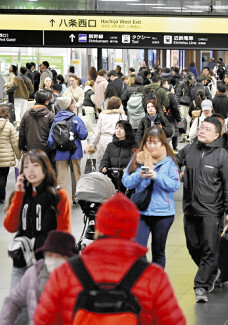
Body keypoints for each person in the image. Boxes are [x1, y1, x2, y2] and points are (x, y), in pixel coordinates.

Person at [33, 193, 186, 324]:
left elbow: (43, 320)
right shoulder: (153, 277)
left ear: (98, 230)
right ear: (133, 233)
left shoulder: (65, 272)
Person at [175, 116, 228, 303]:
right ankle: (211, 271)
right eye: (201, 128)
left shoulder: (222, 156)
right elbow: (174, 160)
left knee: (209, 249)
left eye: (207, 129)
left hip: (212, 210)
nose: (202, 131)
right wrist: (176, 170)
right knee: (193, 246)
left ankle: (200, 286)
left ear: (217, 134)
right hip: (190, 208)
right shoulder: (190, 149)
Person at [4, 150, 72, 289]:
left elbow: (64, 233)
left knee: (42, 307)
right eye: (26, 166)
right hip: (21, 260)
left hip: (46, 264)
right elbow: (10, 227)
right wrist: (18, 195)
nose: (30, 170)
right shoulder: (20, 194)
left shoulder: (58, 195)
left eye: (35, 165)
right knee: (17, 306)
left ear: (45, 168)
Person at [122, 126, 180, 268]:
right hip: (141, 211)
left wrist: (156, 176)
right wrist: (138, 176)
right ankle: (144, 280)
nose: (152, 146)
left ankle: (156, 284)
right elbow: (126, 181)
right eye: (149, 142)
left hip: (163, 213)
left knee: (158, 251)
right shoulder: (137, 158)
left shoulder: (169, 161)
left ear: (162, 143)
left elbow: (174, 185)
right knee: (137, 250)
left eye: (155, 143)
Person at [0, 230, 77, 324]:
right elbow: (13, 301)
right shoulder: (34, 273)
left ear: (70, 258)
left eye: (59, 256)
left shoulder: (80, 279)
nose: (54, 260)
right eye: (50, 255)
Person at [47, 97, 88, 203]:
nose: (74, 106)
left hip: (60, 153)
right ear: (68, 106)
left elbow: (50, 141)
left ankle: (62, 199)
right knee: (76, 176)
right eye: (72, 104)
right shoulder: (76, 119)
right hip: (75, 152)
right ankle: (76, 197)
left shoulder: (56, 119)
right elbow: (83, 135)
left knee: (62, 177)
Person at [87, 96, 127, 166]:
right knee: (116, 163)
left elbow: (97, 132)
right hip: (117, 140)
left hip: (104, 140)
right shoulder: (123, 116)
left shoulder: (102, 115)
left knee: (104, 163)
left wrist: (92, 145)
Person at [100, 120, 138, 192]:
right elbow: (105, 159)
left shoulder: (134, 146)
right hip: (112, 178)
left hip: (128, 179)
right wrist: (103, 167)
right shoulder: (111, 145)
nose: (118, 130)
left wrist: (128, 169)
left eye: (121, 128)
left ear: (127, 130)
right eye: (117, 128)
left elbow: (136, 162)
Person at [18, 90, 55, 155]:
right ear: (46, 101)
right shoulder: (50, 115)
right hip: (46, 149)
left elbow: (22, 132)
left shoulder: (27, 114)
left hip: (30, 148)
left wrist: (22, 147)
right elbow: (54, 133)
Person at [0, 106, 21, 204]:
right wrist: (19, 156)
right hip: (6, 157)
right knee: (3, 177)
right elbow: (15, 143)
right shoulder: (9, 126)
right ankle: (1, 196)